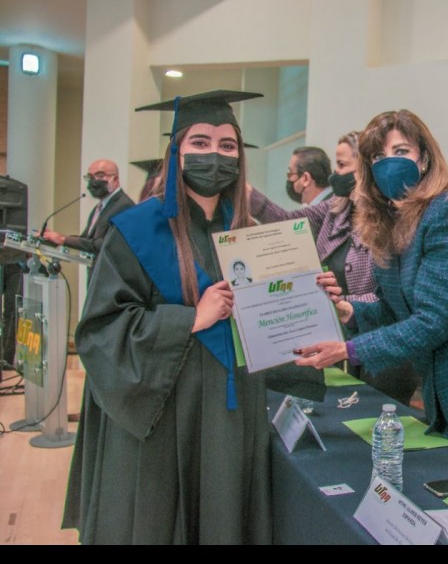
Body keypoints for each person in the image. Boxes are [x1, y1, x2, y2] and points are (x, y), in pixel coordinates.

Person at [61, 89, 321, 544]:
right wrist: (190, 319)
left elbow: (273, 326)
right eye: (200, 142)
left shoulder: (252, 236)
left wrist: (316, 305)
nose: (214, 155)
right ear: (176, 152)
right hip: (162, 416)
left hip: (230, 413)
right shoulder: (135, 230)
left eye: (227, 145)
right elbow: (101, 332)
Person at [292, 109, 448, 475]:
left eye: (401, 151)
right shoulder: (387, 221)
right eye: (378, 156)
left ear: (424, 158)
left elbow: (433, 321)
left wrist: (348, 350)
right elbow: (395, 308)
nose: (389, 163)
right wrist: (348, 310)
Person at [251, 131, 421, 406]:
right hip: (346, 336)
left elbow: (394, 296)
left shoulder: (392, 218)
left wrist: (345, 305)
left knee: (376, 412)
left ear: (364, 168)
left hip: (384, 343)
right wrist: (246, 196)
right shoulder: (336, 208)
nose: (335, 174)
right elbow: (286, 221)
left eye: (342, 165)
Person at [41, 158, 135, 257]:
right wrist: (53, 238)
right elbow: (86, 239)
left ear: (115, 180)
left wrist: (63, 239)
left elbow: (105, 244)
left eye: (100, 176)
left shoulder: (123, 205)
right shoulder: (100, 207)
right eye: (90, 177)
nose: (94, 181)